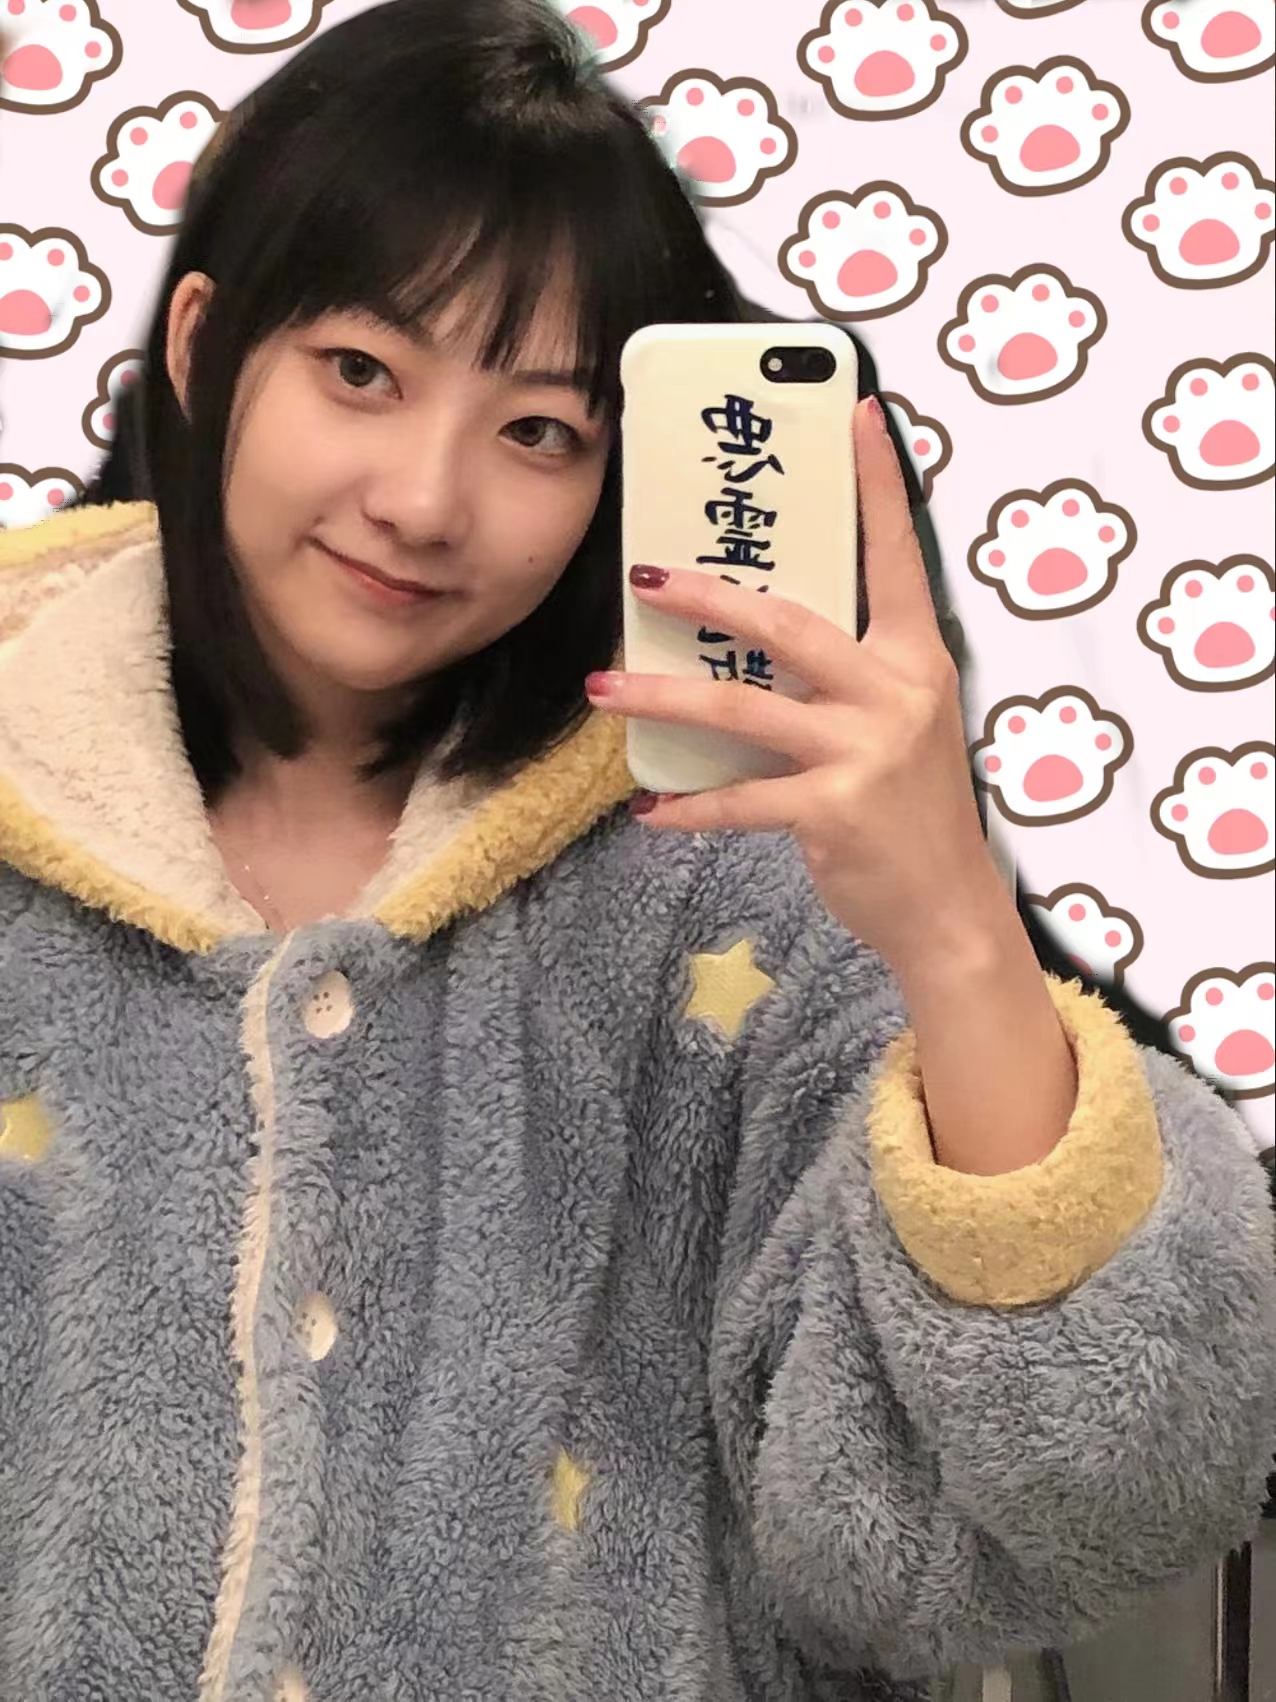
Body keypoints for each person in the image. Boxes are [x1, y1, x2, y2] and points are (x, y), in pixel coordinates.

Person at [1, 3, 1272, 1698]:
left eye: (538, 429)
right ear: (201, 345)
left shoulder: (742, 868)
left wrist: (959, 927)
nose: (425, 499)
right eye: (362, 371)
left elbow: (1079, 1507)